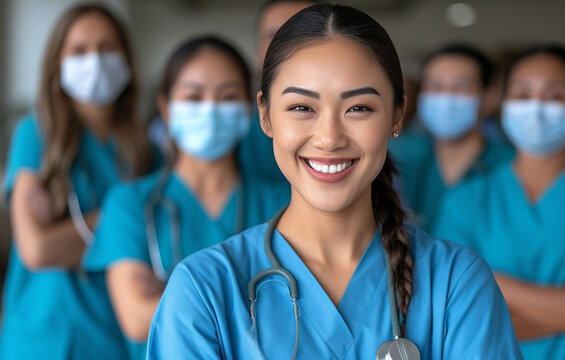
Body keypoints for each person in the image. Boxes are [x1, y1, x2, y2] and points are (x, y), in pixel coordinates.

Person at [147, 4, 522, 359]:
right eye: (301, 108)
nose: (329, 137)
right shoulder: (203, 290)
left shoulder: (456, 283)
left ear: (397, 116)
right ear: (265, 116)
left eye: (358, 108)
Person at [84, 35, 290, 360]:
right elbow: (137, 318)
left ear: (253, 106)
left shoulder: (284, 203)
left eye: (228, 96)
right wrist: (253, 302)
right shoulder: (130, 203)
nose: (210, 109)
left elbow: (304, 311)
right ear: (166, 108)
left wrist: (174, 298)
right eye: (193, 97)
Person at [433, 44, 565, 360]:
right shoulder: (465, 199)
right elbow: (453, 319)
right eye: (522, 95)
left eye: (554, 96)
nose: (537, 107)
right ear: (504, 107)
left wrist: (487, 278)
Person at [1, 4, 155, 359]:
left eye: (107, 48)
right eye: (79, 50)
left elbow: (155, 243)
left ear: (128, 61)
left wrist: (68, 233)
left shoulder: (145, 150)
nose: (95, 61)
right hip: (45, 337)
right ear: (57, 63)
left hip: (116, 336)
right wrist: (122, 219)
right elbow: (37, 250)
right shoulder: (36, 135)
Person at [389, 44, 514, 232]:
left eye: (461, 87)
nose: (446, 97)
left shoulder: (511, 166)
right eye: (435, 86)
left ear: (488, 99)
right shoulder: (403, 160)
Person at [237, 0, 319, 184]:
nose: (286, 48)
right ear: (258, 50)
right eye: (274, 36)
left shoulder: (359, 124)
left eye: (303, 34)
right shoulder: (231, 126)